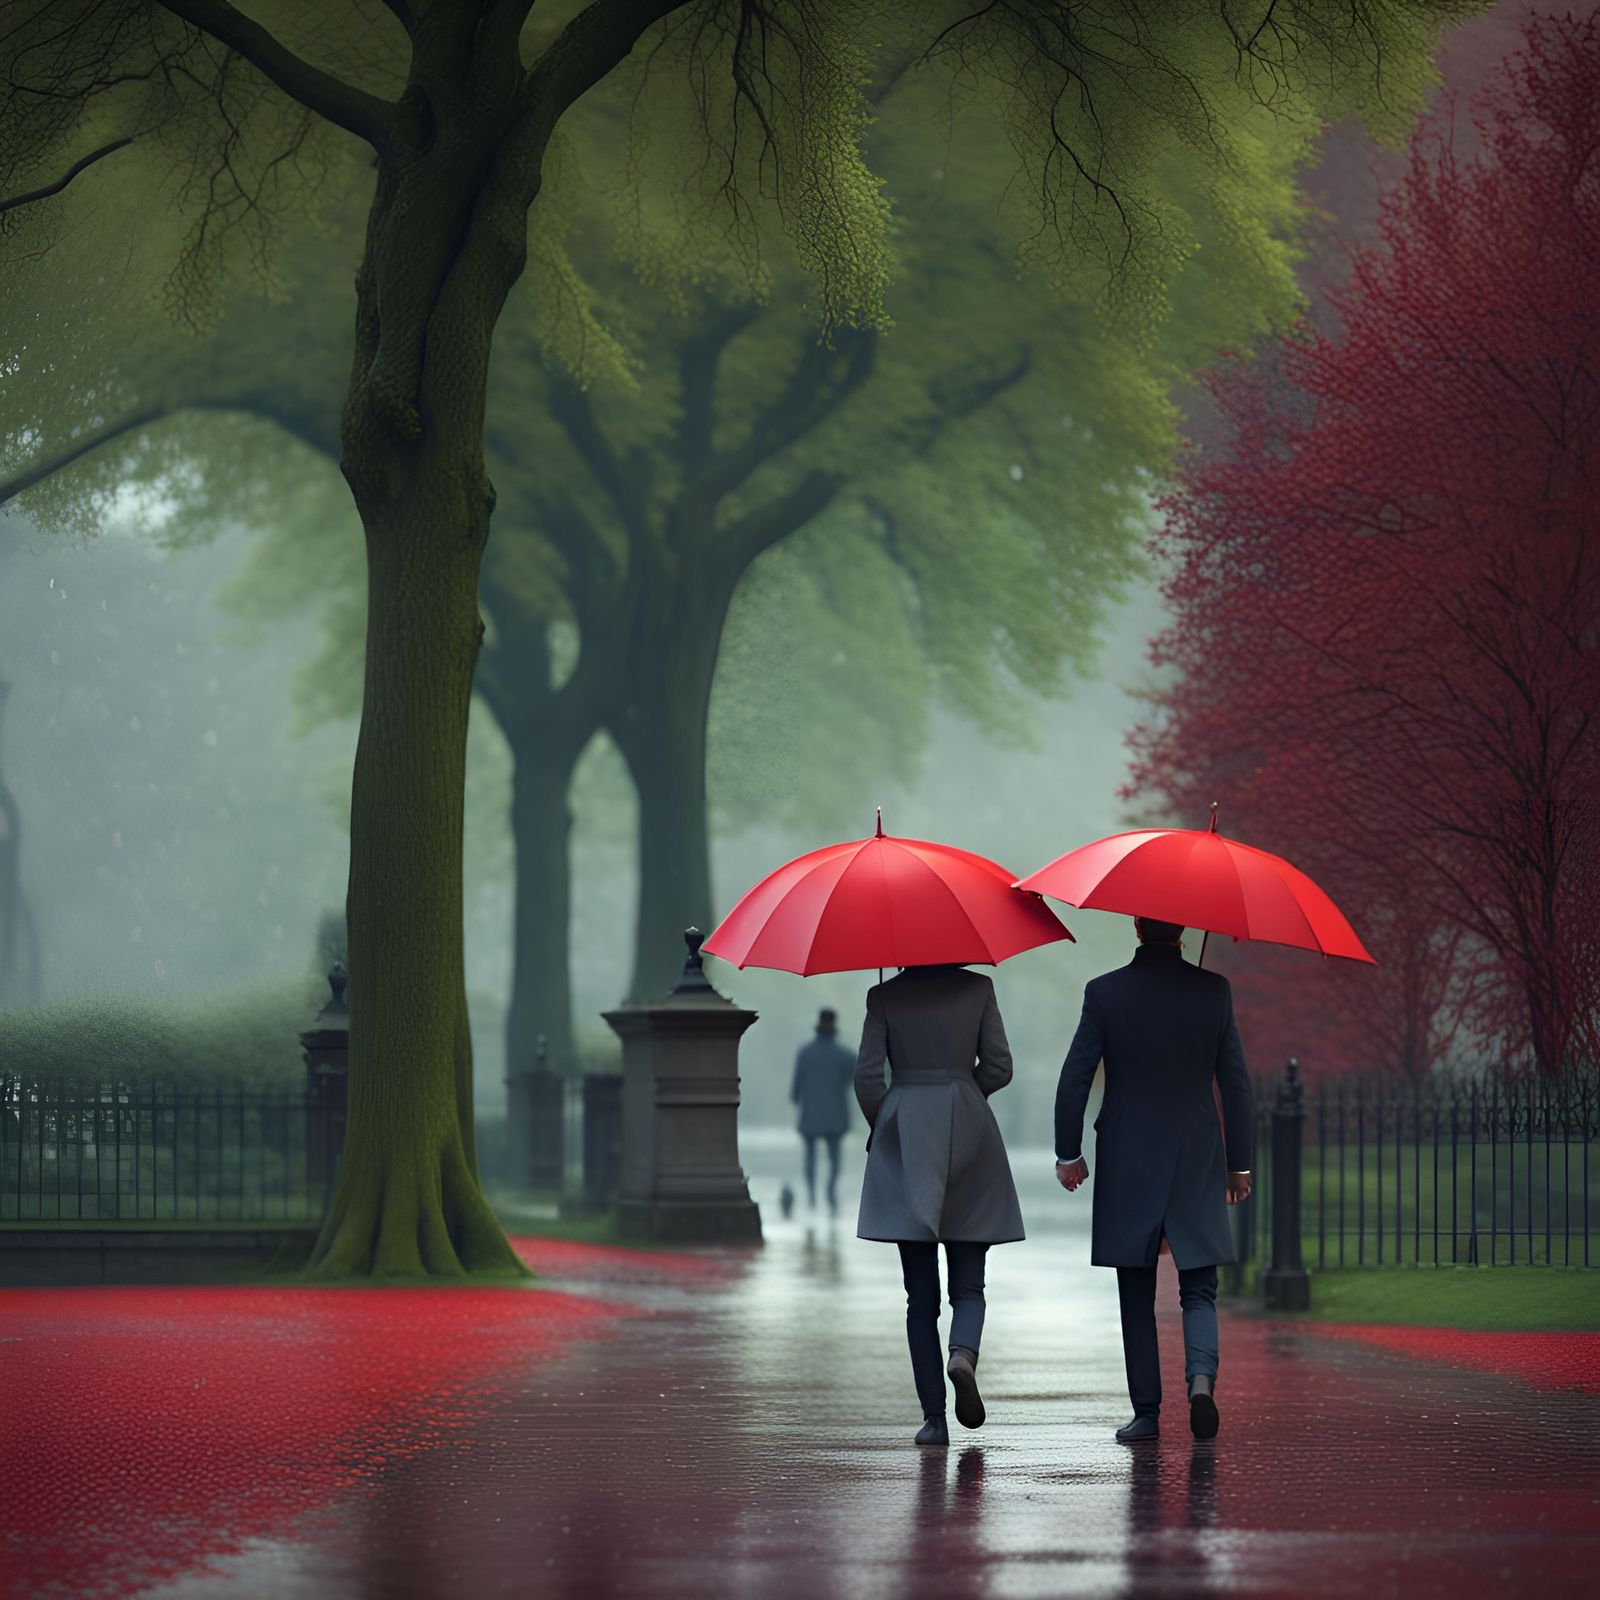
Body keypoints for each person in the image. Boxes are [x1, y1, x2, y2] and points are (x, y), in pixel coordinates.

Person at [1054, 917, 1253, 1442]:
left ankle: (1146, 1413)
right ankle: (1201, 1380)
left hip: (1128, 1151)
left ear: (1138, 930)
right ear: (1182, 932)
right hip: (1196, 1149)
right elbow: (1235, 1083)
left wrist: (1069, 1152)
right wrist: (1239, 1165)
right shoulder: (1214, 991)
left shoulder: (1104, 992)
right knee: (1200, 1285)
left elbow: (1075, 1077)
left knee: (1135, 1287)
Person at [854, 964, 1025, 1447]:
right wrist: (965, 1091)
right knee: (969, 1285)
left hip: (906, 1137)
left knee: (920, 1299)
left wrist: (888, 1120)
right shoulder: (978, 989)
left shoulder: (883, 996)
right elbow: (1000, 1066)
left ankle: (934, 1419)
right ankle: (963, 1354)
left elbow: (867, 1079)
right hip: (970, 1130)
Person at [791, 1007, 855, 1213]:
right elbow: (853, 1082)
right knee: (834, 1158)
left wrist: (800, 1099)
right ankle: (830, 1191)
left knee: (810, 1156)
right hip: (836, 1113)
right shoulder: (846, 1055)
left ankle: (811, 1195)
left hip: (810, 1113)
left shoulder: (804, 1053)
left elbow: (795, 1090)